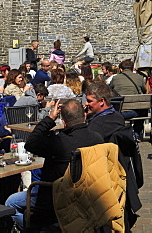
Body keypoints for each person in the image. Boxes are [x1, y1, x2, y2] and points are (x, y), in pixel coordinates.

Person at [22, 98, 105, 231]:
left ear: (64, 122)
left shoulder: (58, 142)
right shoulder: (97, 138)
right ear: (84, 116)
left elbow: (30, 143)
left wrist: (50, 118)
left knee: (12, 202)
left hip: (57, 199)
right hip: (90, 197)